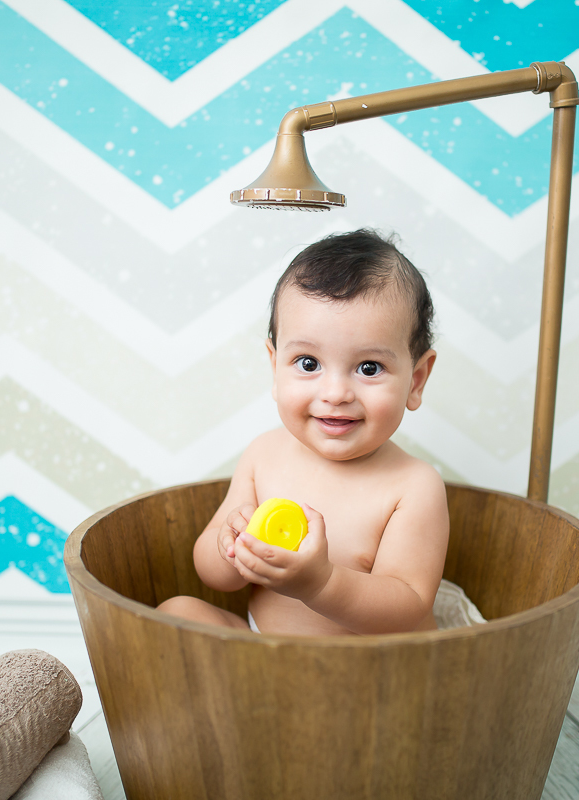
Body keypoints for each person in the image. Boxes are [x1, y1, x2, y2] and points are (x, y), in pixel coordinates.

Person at [156, 228, 449, 635]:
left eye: (369, 368)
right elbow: (213, 574)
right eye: (308, 363)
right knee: (178, 610)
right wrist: (231, 547)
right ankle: (251, 687)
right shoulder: (264, 456)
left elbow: (407, 605)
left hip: (369, 673)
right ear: (275, 367)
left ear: (416, 380)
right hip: (266, 655)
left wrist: (321, 583)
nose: (335, 393)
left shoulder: (413, 486)